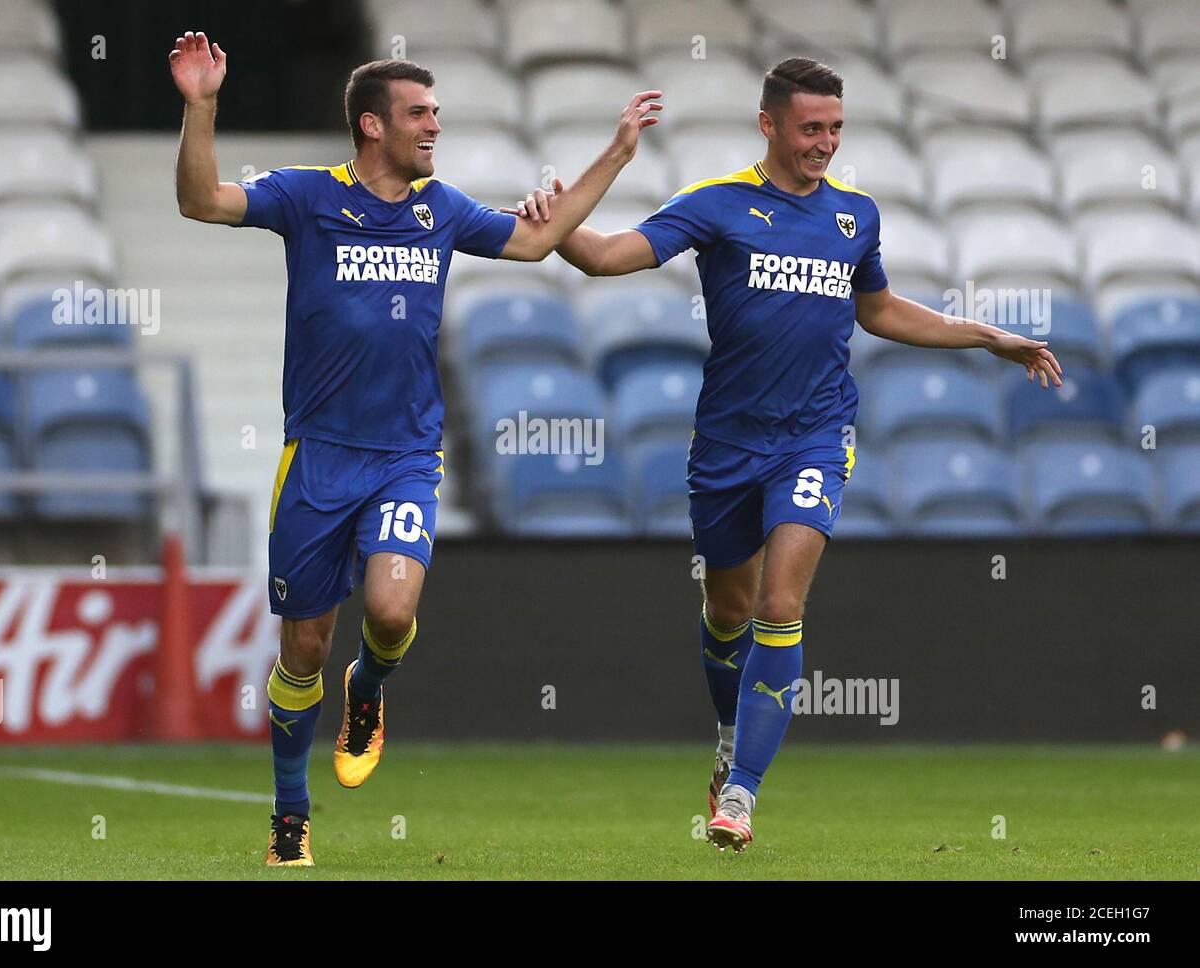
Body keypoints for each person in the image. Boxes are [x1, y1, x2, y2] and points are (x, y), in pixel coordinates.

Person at [508, 57, 1062, 853]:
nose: (825, 143)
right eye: (811, 128)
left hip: (816, 434)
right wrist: (556, 221)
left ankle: (740, 793)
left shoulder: (855, 217)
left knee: (779, 605)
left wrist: (985, 336)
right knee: (728, 610)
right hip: (728, 444)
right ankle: (731, 734)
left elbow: (878, 309)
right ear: (768, 123)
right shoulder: (719, 205)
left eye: (835, 128)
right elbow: (606, 255)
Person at [169, 30, 661, 866]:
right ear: (372, 126)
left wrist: (614, 155)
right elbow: (202, 202)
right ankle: (291, 817)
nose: (435, 125)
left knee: (392, 611)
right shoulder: (306, 197)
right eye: (419, 113)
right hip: (318, 455)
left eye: (436, 111)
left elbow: (539, 242)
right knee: (303, 649)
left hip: (405, 454)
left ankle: (370, 687)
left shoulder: (443, 208)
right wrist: (202, 107)